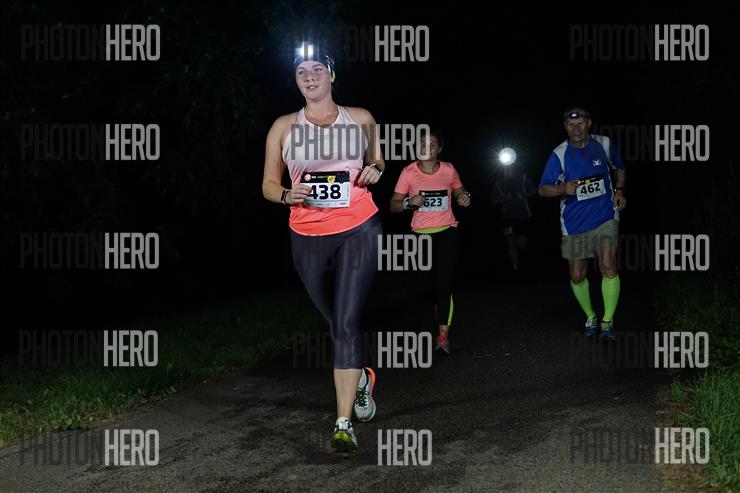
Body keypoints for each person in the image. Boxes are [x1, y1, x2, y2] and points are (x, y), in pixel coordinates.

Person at [262, 43, 384, 453]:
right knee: (334, 321)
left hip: (359, 226)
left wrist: (374, 169)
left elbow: (378, 161)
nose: (309, 76)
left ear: (332, 74)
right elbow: (268, 184)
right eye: (301, 71)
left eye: (317, 68)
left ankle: (343, 423)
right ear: (295, 80)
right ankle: (361, 375)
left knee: (346, 324)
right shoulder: (283, 126)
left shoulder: (361, 118)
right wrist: (286, 195)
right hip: (307, 233)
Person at [538, 106, 626, 339]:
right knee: (577, 275)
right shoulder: (559, 154)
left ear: (588, 123)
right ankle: (591, 316)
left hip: (605, 215)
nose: (576, 129)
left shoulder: (603, 144)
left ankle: (607, 321)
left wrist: (619, 190)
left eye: (580, 124)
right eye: (570, 125)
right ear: (565, 127)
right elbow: (542, 189)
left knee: (608, 264)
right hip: (574, 222)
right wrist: (562, 188)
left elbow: (619, 167)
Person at [389, 130, 470, 354]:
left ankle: (443, 336)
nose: (427, 148)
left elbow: (461, 192)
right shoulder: (409, 172)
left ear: (439, 149)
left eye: (432, 144)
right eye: (422, 144)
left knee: (444, 284)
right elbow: (393, 205)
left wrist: (464, 197)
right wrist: (408, 202)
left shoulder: (448, 170)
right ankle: (436, 308)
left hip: (447, 232)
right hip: (421, 236)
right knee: (425, 286)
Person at [491, 163, 537, 272]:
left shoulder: (523, 177)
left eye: (510, 167)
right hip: (507, 218)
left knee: (521, 243)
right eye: (506, 168)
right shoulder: (499, 183)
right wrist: (505, 198)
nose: (509, 170)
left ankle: (523, 261)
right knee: (510, 242)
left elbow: (534, 189)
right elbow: (493, 200)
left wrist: (524, 195)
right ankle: (514, 267)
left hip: (523, 216)